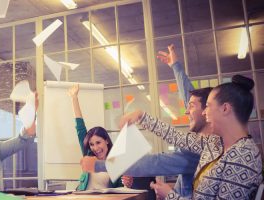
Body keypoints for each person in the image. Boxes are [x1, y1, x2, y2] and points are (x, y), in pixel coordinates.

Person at [81, 44, 211, 198]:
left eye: (191, 106)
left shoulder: (201, 149)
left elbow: (153, 163)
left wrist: (98, 165)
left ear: (208, 110)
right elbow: (191, 98)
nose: (186, 110)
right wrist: (176, 67)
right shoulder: (200, 141)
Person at [120, 74, 262, 199]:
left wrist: (170, 196)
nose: (204, 112)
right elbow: (175, 136)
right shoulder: (215, 143)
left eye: (207, 106)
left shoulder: (242, 156)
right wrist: (140, 115)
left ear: (225, 108)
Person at [68, 84, 155, 197]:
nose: (95, 148)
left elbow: (122, 186)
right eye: (91, 144)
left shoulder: (116, 160)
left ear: (106, 141)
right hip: (82, 197)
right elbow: (80, 127)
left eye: (98, 142)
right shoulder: (88, 156)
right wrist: (74, 98)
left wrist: (127, 183)